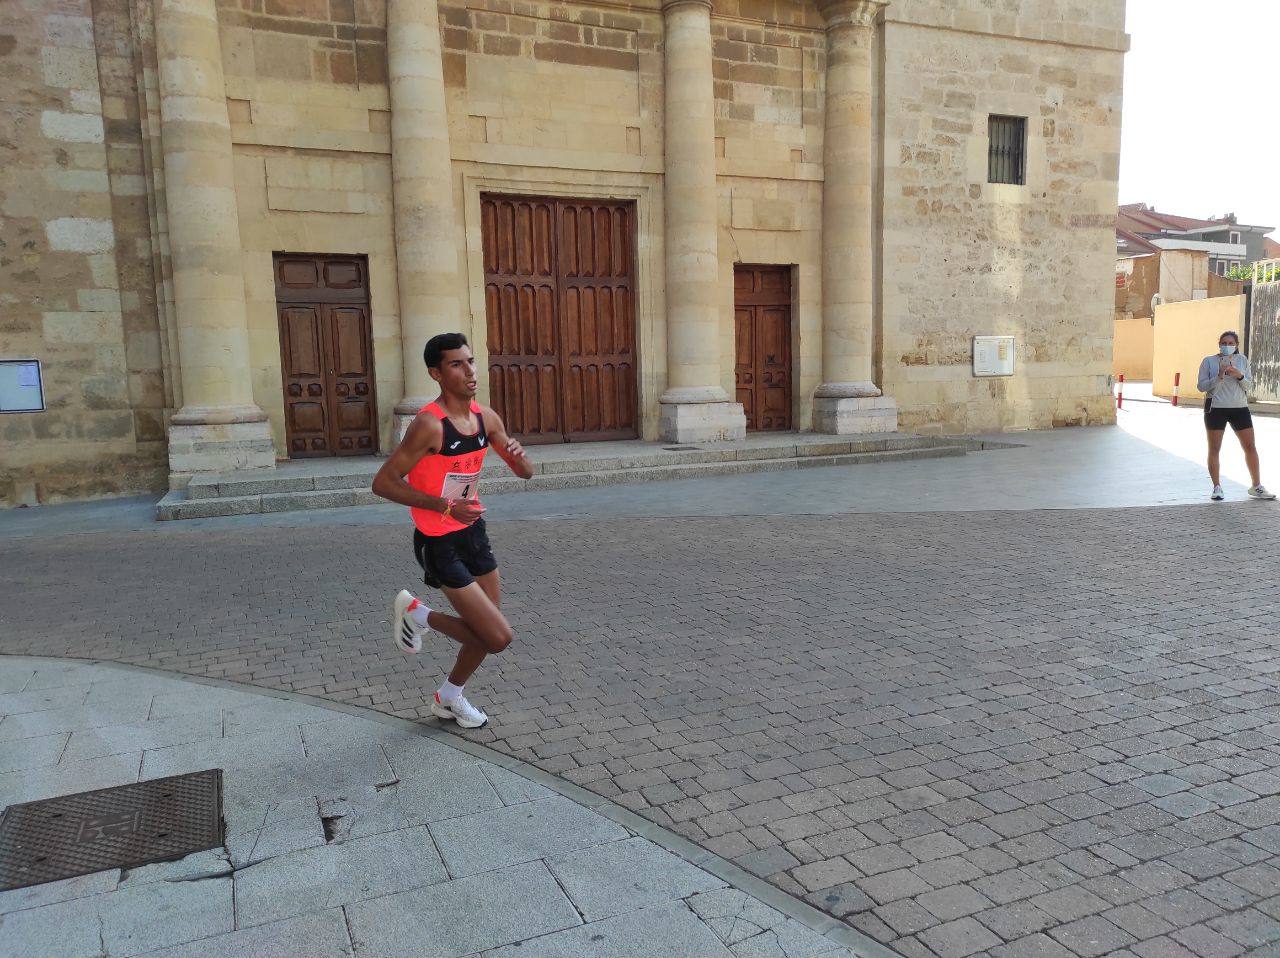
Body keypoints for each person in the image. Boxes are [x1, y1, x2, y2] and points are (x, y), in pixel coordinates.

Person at [371, 333, 534, 728]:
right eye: (457, 364)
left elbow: (527, 473)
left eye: (471, 361)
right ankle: (418, 614)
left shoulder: (485, 417)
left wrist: (517, 459)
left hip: (473, 533)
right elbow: (384, 482)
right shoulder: (430, 425)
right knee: (496, 637)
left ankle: (449, 697)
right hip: (438, 541)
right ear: (436, 373)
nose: (470, 371)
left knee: (486, 629)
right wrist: (444, 505)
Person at [1197, 330, 1275, 502]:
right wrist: (1219, 376)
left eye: (1231, 343)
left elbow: (1248, 385)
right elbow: (1202, 387)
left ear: (1236, 345)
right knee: (1214, 448)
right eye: (1224, 343)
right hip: (1216, 409)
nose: (1227, 346)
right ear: (1219, 344)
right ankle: (1217, 487)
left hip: (1240, 409)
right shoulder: (1208, 361)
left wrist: (1238, 375)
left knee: (1250, 446)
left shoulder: (1242, 360)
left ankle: (1257, 486)